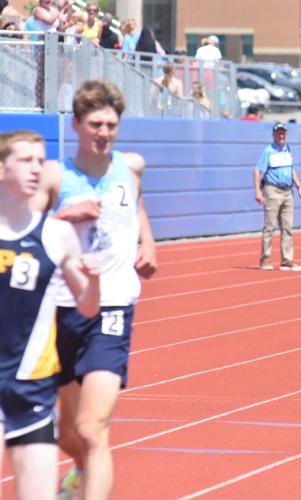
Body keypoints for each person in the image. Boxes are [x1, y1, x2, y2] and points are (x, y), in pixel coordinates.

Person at [30, 80, 158, 499]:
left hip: (112, 306)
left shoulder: (131, 165)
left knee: (92, 426)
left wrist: (148, 242)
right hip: (60, 310)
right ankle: (82, 471)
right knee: (64, 430)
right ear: (77, 124)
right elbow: (26, 235)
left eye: (110, 125)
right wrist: (69, 214)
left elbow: (135, 202)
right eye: (95, 124)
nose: (103, 133)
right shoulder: (54, 175)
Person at [1, 130, 100, 500]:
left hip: (33, 388)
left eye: (41, 162)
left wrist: (95, 281)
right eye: (25, 160)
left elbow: (88, 306)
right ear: (0, 168)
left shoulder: (56, 234)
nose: (35, 170)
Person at [254, 122, 301, 271]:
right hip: (272, 190)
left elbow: (291, 170)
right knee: (269, 227)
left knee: (287, 227)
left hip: (288, 192)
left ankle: (287, 260)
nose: (281, 135)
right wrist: (257, 191)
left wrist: (299, 187)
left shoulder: (287, 150)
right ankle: (265, 260)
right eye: (278, 133)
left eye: (283, 133)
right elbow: (257, 171)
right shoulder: (268, 151)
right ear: (273, 135)